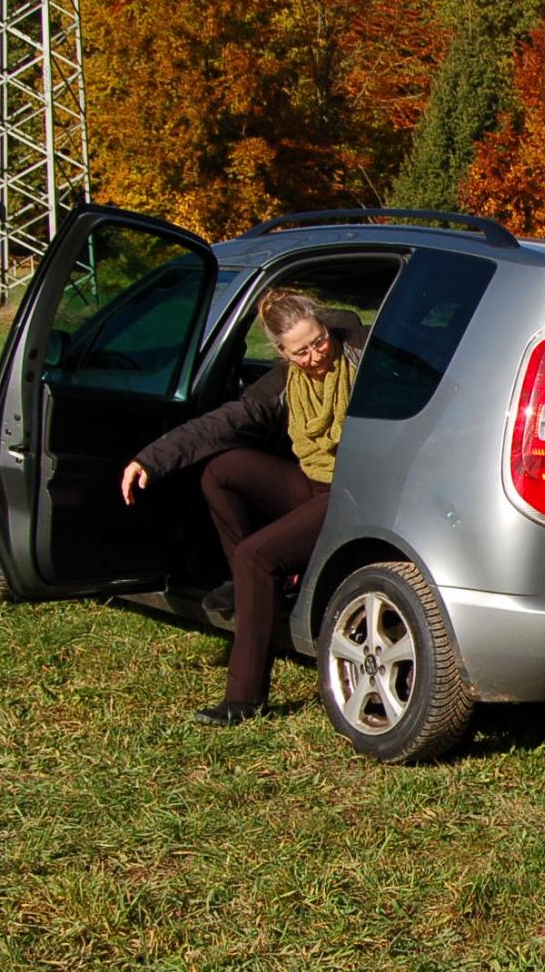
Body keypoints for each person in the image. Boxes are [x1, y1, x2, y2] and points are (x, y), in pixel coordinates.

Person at [121, 290, 367, 725]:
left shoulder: (355, 348)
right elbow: (226, 421)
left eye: (318, 341)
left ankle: (244, 698)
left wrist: (308, 314)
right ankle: (249, 585)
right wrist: (151, 459)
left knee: (258, 554)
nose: (315, 356)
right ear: (282, 353)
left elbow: (345, 315)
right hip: (309, 483)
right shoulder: (284, 382)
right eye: (301, 351)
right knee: (223, 470)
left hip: (351, 491)